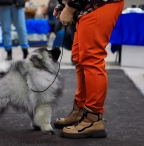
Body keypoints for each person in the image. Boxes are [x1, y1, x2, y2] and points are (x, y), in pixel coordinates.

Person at [53, 0, 124, 139]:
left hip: (99, 4)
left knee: (92, 59)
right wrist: (65, 5)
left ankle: (93, 118)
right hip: (86, 5)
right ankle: (80, 110)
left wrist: (70, 6)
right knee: (80, 58)